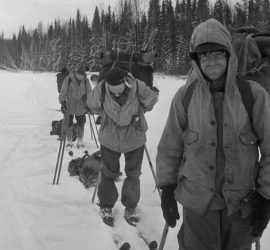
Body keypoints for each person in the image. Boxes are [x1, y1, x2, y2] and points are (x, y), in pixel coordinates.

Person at [155, 18, 270, 250]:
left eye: (217, 53)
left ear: (229, 55)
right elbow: (170, 147)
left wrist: (266, 197)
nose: (211, 61)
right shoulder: (185, 97)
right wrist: (166, 190)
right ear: (196, 61)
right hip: (198, 205)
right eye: (204, 55)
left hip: (240, 206)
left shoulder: (252, 95)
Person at [87, 68, 159, 226]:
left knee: (133, 174)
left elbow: (151, 100)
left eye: (118, 89)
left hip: (134, 138)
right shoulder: (102, 87)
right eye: (112, 89)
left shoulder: (137, 86)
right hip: (110, 139)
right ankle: (106, 205)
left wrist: (142, 107)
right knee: (107, 173)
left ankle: (130, 207)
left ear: (125, 81)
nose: (116, 92)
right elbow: (92, 104)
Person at [59, 65, 91, 148]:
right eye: (79, 75)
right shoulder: (68, 79)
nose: (80, 77)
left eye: (82, 76)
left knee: (81, 123)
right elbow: (63, 91)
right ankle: (69, 139)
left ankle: (80, 139)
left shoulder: (86, 81)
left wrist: (89, 105)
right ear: (76, 73)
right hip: (69, 104)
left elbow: (89, 93)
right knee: (68, 123)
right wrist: (62, 102)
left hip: (81, 105)